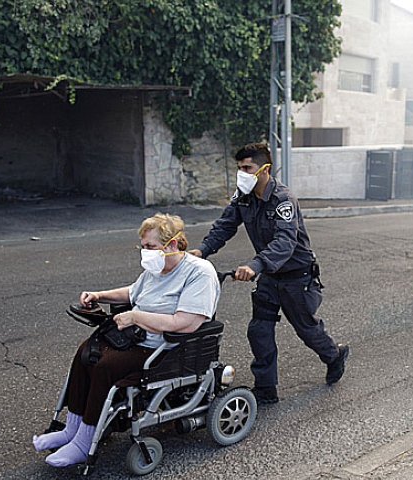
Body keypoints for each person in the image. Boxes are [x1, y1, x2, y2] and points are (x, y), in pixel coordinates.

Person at [32, 213, 220, 468]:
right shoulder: (157, 269)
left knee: (105, 367)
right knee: (86, 353)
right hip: (136, 338)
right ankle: (72, 429)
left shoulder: (199, 273)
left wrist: (135, 317)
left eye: (151, 247)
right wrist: (99, 295)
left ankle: (84, 441)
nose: (146, 253)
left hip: (166, 349)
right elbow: (132, 292)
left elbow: (185, 323)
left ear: (173, 245)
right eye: (143, 247)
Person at [188, 142, 349, 405]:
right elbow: (225, 225)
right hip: (270, 277)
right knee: (259, 330)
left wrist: (255, 265)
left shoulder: (284, 200)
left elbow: (284, 242)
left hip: (297, 278)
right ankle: (265, 387)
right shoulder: (243, 196)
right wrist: (203, 250)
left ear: (264, 169)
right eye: (239, 168)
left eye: (247, 168)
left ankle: (334, 355)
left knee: (306, 329)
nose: (242, 173)